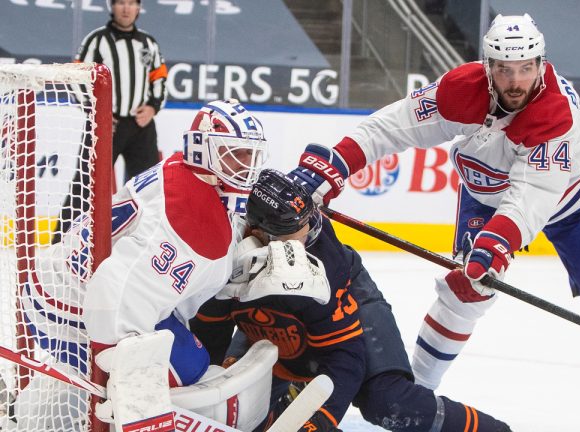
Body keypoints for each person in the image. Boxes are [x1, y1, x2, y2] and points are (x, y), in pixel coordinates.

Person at [287, 13, 580, 432]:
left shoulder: (559, 120)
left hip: (575, 207)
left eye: (525, 68)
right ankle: (414, 393)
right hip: (487, 195)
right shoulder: (462, 89)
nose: (515, 81)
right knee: (464, 293)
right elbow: (392, 128)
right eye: (504, 69)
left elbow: (530, 200)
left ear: (541, 63)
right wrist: (338, 161)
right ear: (488, 65)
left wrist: (494, 245)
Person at [191, 169, 512, 432]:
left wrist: (317, 422)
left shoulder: (323, 267)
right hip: (270, 310)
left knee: (388, 401)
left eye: (308, 223)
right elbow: (209, 341)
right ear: (257, 235)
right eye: (296, 232)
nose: (309, 235)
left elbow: (345, 361)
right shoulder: (227, 258)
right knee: (236, 403)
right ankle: (293, 393)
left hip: (342, 308)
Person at [16, 99, 269, 430]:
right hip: (71, 308)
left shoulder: (186, 172)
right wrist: (126, 377)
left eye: (250, 154)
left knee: (193, 361)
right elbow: (115, 292)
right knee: (189, 372)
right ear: (202, 149)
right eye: (233, 152)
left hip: (69, 282)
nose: (244, 165)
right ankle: (44, 417)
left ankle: (34, 409)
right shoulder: (191, 220)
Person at [54, 0, 167, 240]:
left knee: (149, 187)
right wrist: (97, 111)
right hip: (106, 125)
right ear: (112, 7)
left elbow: (160, 78)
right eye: (120, 3)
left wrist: (153, 108)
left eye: (131, 3)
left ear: (138, 8)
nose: (126, 8)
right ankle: (60, 243)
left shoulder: (149, 43)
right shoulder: (97, 40)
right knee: (86, 183)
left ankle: (145, 241)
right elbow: (76, 78)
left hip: (141, 126)